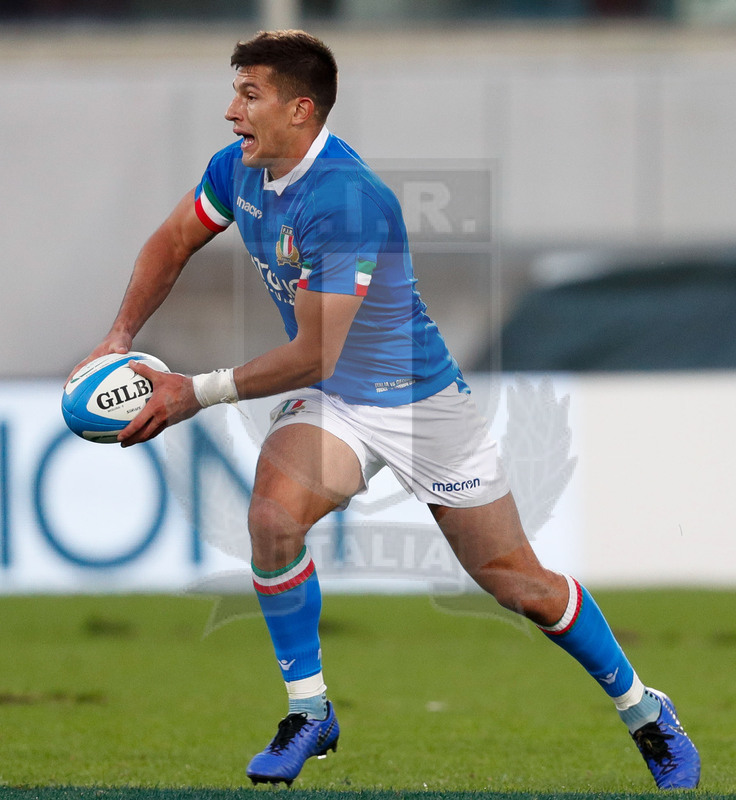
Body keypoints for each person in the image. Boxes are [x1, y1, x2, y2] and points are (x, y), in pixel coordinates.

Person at [69, 30, 700, 790]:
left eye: (249, 94)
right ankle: (310, 712)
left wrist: (192, 392)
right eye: (235, 91)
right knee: (272, 519)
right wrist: (118, 338)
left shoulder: (346, 201)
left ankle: (644, 710)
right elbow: (172, 241)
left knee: (518, 584)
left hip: (418, 403)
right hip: (335, 400)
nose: (231, 111)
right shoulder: (235, 170)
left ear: (300, 109)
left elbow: (314, 352)